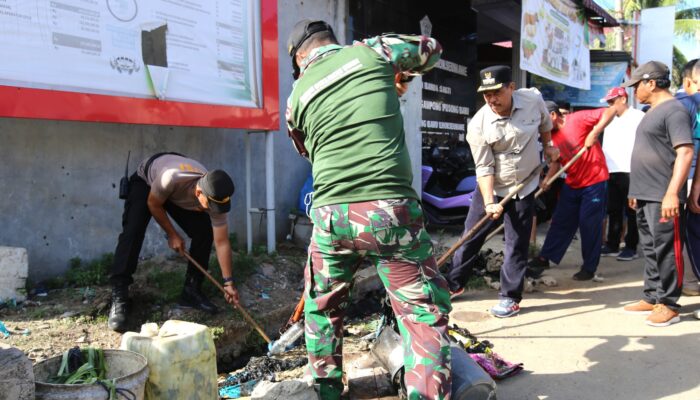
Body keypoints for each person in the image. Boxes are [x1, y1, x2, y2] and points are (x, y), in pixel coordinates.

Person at [285, 20, 451, 399]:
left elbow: (309, 149)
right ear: (331, 42)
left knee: (323, 312)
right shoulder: (374, 50)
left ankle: (326, 393)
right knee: (421, 316)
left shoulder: (295, 98)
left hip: (331, 218)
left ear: (300, 58)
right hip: (390, 212)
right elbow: (432, 48)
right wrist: (398, 73)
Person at [444, 65, 558, 318]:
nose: (492, 99)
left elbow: (544, 123)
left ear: (511, 88)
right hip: (493, 186)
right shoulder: (478, 125)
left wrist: (549, 146)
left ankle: (510, 297)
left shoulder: (532, 99)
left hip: (524, 185)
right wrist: (488, 202)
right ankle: (454, 284)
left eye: (497, 92)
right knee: (471, 236)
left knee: (516, 242)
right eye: (486, 95)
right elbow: (484, 168)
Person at [108, 153, 239, 332]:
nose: (214, 211)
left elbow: (222, 241)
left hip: (176, 192)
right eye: (210, 206)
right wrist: (172, 234)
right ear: (200, 193)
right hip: (148, 181)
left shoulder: (216, 194)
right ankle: (120, 294)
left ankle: (191, 291)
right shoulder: (171, 178)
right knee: (133, 230)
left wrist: (228, 283)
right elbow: (154, 204)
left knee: (204, 232)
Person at [621, 61, 694, 327]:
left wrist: (673, 193)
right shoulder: (651, 111)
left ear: (651, 83)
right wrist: (635, 190)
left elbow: (685, 151)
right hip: (645, 193)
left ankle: (669, 303)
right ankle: (652, 296)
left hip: (664, 194)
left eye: (637, 85)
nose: (634, 91)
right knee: (651, 248)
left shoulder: (674, 110)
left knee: (667, 249)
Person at [529, 101, 616, 280]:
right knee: (561, 220)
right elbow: (558, 161)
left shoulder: (577, 119)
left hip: (595, 180)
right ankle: (546, 257)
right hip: (573, 181)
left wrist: (594, 132)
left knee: (588, 224)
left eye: (542, 121)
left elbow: (611, 110)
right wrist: (547, 180)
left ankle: (589, 268)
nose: (540, 128)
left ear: (553, 116)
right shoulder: (551, 136)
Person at [599, 87, 645, 261]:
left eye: (612, 102)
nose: (610, 106)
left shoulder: (638, 117)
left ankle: (631, 246)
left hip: (631, 170)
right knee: (613, 209)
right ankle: (612, 243)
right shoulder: (608, 118)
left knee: (632, 210)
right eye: (608, 102)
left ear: (623, 99)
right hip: (611, 170)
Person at [677, 59, 700, 298]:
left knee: (690, 233)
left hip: (690, 176)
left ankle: (691, 282)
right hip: (692, 176)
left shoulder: (682, 103)